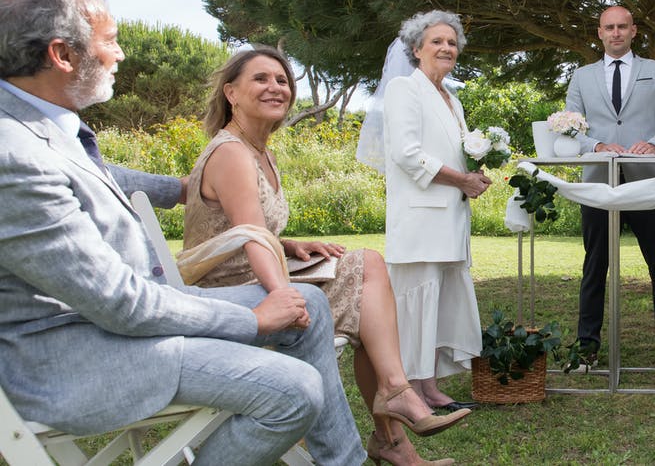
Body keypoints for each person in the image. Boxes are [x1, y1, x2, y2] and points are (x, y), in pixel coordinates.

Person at [0, 0, 363, 465]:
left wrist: (182, 189)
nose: (121, 54)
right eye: (110, 41)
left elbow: (101, 173)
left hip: (114, 326)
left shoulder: (43, 128)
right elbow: (120, 304)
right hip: (76, 355)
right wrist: (252, 320)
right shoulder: (12, 153)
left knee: (306, 302)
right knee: (294, 390)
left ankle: (345, 462)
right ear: (63, 55)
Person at [183, 48, 466, 466]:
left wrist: (289, 245)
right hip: (233, 293)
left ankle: (394, 407)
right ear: (231, 93)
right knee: (367, 286)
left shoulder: (261, 152)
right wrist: (284, 294)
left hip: (256, 270)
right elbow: (250, 236)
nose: (275, 88)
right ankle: (393, 416)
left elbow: (251, 230)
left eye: (282, 81)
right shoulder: (231, 153)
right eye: (260, 79)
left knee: (368, 275)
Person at [364, 10, 489, 411]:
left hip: (450, 217)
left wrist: (474, 174)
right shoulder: (405, 89)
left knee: (436, 305)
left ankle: (430, 386)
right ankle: (409, 390)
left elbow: (451, 151)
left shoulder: (452, 99)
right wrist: (461, 180)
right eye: (436, 41)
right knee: (414, 304)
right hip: (419, 219)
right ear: (417, 49)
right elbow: (405, 154)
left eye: (452, 43)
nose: (446, 48)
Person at [564, 5, 655, 365]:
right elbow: (570, 127)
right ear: (599, 33)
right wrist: (597, 146)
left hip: (648, 181)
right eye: (609, 27)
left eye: (622, 27)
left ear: (634, 31)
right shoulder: (582, 76)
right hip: (599, 181)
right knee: (594, 265)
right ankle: (587, 345)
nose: (616, 33)